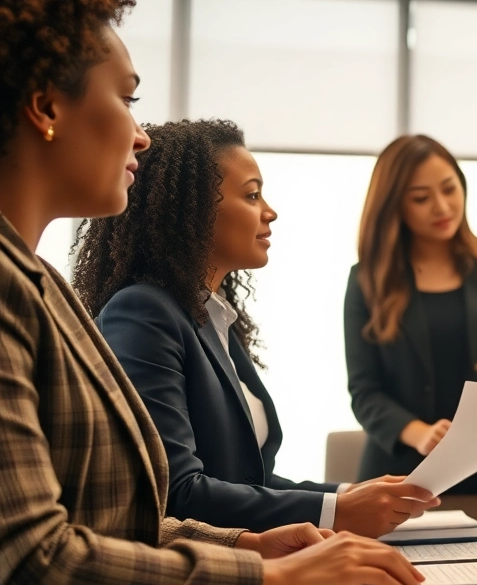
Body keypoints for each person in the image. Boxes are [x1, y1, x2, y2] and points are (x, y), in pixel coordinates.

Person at [0, 0, 422, 585]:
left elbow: (114, 522)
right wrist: (264, 577)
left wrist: (252, 547)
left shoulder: (41, 285)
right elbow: (31, 567)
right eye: (127, 99)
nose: (141, 136)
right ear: (46, 107)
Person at [72, 119, 439, 537]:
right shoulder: (143, 311)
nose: (270, 211)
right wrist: (336, 509)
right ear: (191, 209)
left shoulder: (213, 318)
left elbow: (249, 485)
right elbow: (176, 493)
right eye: (251, 195)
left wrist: (351, 493)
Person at [345, 134, 477, 488]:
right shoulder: (366, 280)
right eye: (421, 198)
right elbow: (365, 391)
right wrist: (418, 432)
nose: (441, 207)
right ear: (395, 205)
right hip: (402, 476)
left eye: (449, 189)